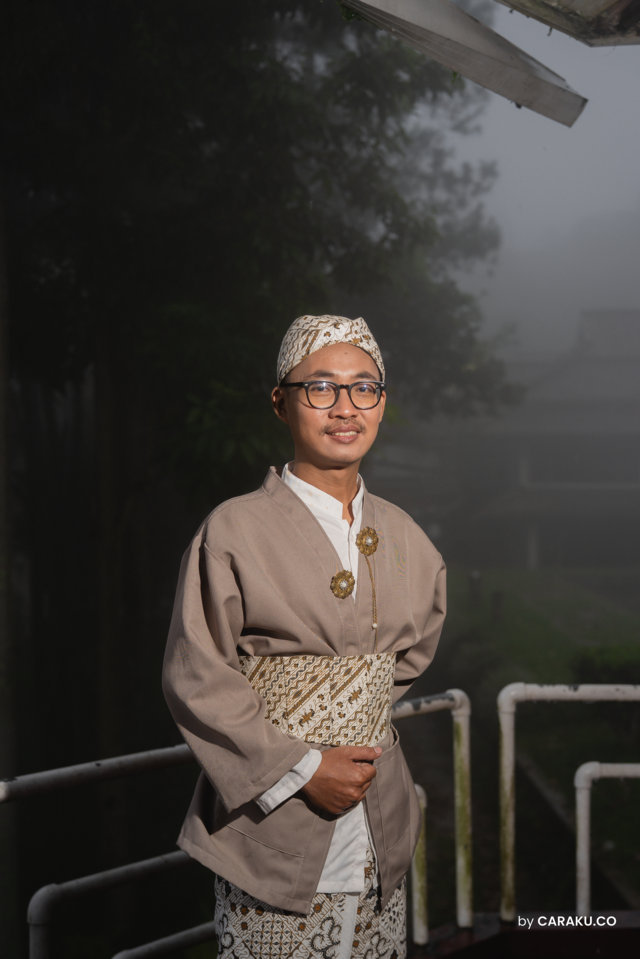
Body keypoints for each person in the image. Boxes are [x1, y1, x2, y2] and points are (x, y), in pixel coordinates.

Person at [162, 314, 446, 959]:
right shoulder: (232, 531)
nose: (345, 407)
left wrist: (350, 709)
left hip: (379, 815)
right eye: (321, 387)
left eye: (364, 387)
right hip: (272, 823)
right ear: (280, 402)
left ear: (381, 403)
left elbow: (410, 659)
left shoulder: (407, 536)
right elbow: (196, 674)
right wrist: (306, 766)